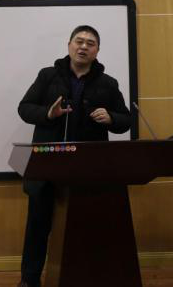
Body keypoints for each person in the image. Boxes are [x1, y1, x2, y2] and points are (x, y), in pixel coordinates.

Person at [16, 25, 132, 287]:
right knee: (38, 225)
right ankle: (29, 280)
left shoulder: (108, 83)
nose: (83, 46)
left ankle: (88, 278)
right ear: (69, 45)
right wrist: (48, 114)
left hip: (88, 169)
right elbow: (24, 108)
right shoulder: (48, 76)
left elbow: (126, 120)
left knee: (87, 226)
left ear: (97, 51)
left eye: (90, 43)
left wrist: (111, 118)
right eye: (79, 41)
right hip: (47, 165)